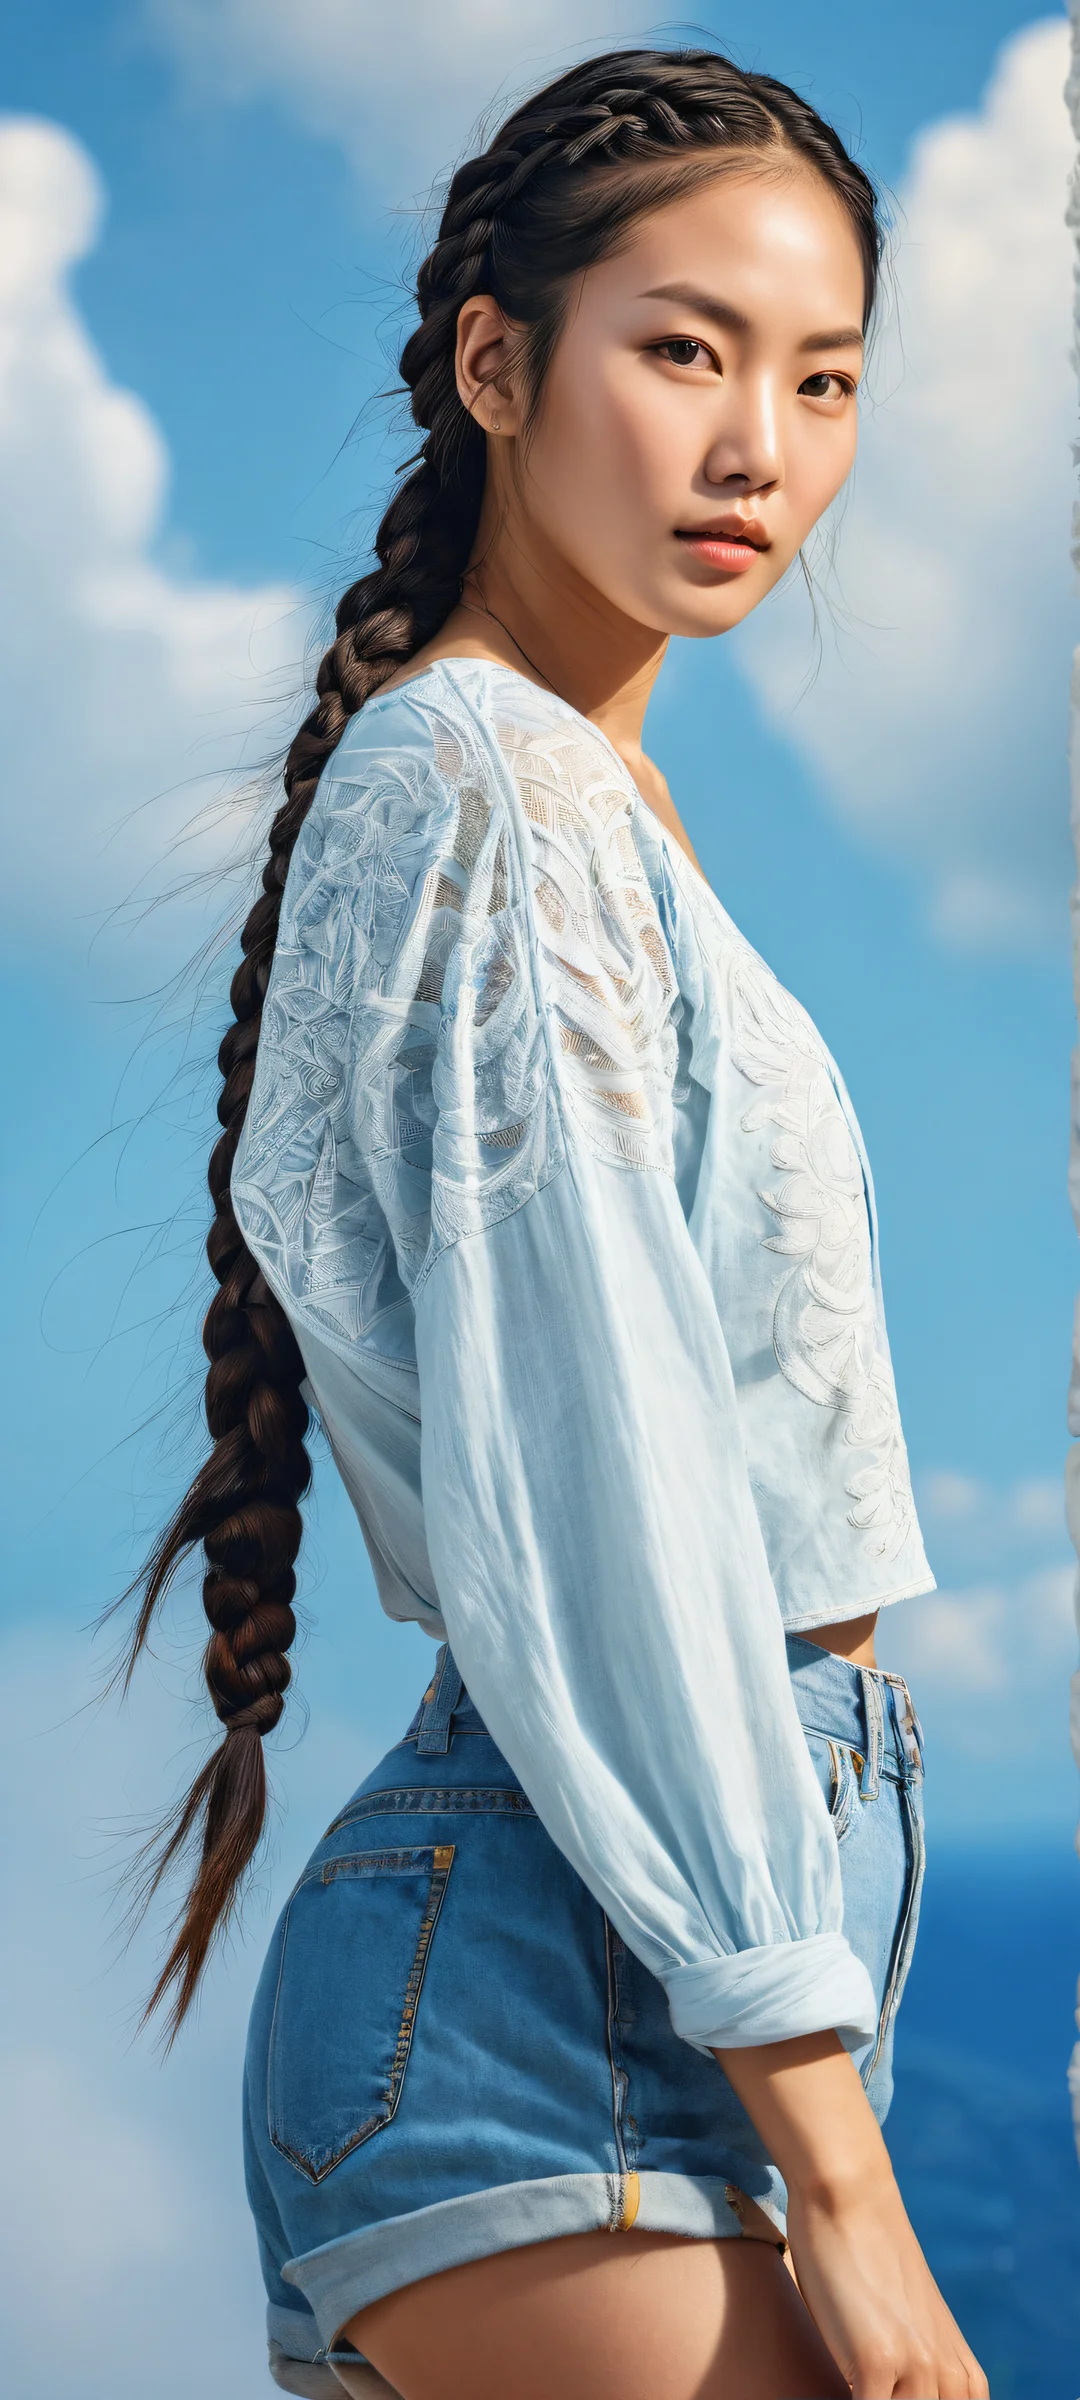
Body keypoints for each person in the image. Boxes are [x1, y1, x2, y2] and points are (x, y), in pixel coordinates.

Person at [124, 47, 989, 2400]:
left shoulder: (592, 796)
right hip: (555, 1998)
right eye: (684, 350)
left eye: (823, 381)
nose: (759, 452)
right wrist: (849, 2181)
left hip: (595, 1983)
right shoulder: (493, 783)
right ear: (499, 365)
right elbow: (605, 1485)